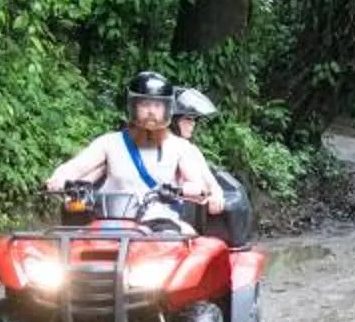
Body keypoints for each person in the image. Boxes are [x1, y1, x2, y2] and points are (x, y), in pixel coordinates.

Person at [47, 70, 224, 220]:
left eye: (157, 105)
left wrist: (186, 190)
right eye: (145, 104)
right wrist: (59, 178)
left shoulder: (181, 148)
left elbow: (199, 184)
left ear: (167, 109)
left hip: (160, 225)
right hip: (110, 222)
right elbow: (78, 166)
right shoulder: (109, 142)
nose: (151, 111)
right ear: (134, 107)